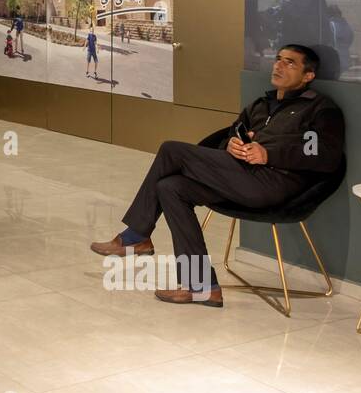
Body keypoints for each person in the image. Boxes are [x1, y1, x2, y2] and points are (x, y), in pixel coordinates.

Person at [90, 44, 345, 306]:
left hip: (275, 184)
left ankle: (136, 236)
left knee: (171, 150)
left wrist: (269, 154)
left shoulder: (319, 110)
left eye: (290, 63)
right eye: (278, 59)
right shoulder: (261, 104)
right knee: (170, 187)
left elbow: (321, 154)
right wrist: (231, 145)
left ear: (308, 76)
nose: (279, 65)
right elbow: (231, 134)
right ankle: (202, 287)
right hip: (242, 177)